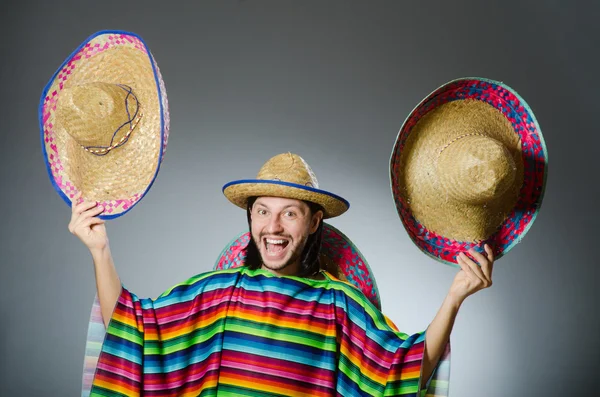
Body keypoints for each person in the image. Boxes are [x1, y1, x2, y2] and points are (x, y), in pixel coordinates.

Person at [69, 152, 493, 397]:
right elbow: (129, 329)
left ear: (313, 222)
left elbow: (407, 370)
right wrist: (100, 251)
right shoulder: (217, 294)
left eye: (289, 213)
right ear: (250, 218)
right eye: (262, 211)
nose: (273, 227)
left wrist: (454, 296)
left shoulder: (339, 305)